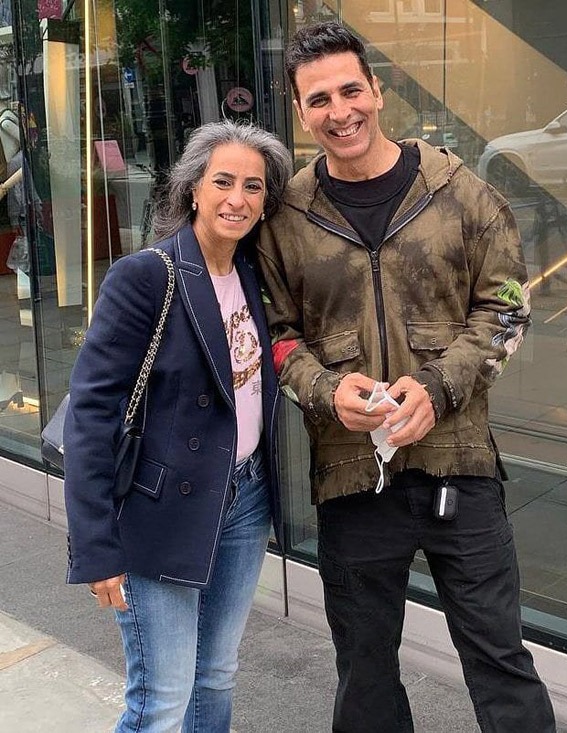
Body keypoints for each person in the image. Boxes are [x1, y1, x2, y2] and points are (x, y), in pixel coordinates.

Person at [257, 22, 556, 733]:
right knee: (364, 670)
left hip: (461, 468)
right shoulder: (285, 219)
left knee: (498, 656)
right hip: (352, 477)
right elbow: (273, 338)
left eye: (351, 89)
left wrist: (440, 384)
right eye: (319, 98)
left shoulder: (461, 193)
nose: (341, 111)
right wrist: (329, 391)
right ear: (301, 114)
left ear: (379, 91)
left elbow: (508, 310)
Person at [63, 120, 292, 733]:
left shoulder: (251, 275)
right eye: (223, 182)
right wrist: (95, 544)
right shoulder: (147, 275)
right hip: (158, 511)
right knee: (161, 700)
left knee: (215, 672)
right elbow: (90, 411)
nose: (237, 198)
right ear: (193, 188)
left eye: (253, 186)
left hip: (244, 500)